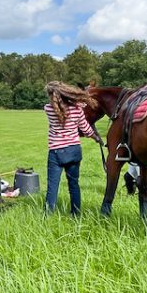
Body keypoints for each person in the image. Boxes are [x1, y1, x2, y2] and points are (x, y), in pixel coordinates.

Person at [44, 81, 103, 216]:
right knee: (74, 185)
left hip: (56, 152)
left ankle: (48, 215)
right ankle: (75, 214)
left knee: (52, 186)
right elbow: (85, 128)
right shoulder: (77, 110)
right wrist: (96, 137)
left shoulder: (48, 109)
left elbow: (56, 108)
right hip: (74, 150)